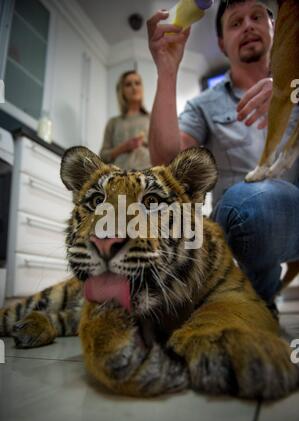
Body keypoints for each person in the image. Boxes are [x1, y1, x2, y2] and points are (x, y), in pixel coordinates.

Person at [147, 0, 299, 307]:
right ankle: (259, 302)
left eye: (257, 16)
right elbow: (167, 166)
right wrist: (167, 69)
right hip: (244, 220)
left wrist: (288, 91)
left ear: (274, 26)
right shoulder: (204, 105)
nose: (248, 26)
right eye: (235, 22)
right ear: (221, 42)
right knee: (251, 205)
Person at [99, 70, 151, 170]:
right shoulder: (113, 122)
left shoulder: (151, 118)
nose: (134, 87)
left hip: (147, 173)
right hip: (119, 176)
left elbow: (162, 152)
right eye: (128, 84)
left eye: (137, 83)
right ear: (122, 91)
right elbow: (103, 156)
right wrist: (123, 148)